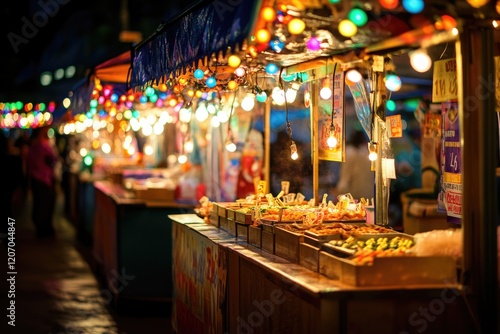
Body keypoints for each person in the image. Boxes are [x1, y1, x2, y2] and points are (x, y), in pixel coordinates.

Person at [27, 126, 59, 238]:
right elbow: (53, 159)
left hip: (36, 178)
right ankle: (44, 228)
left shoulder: (33, 146)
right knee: (45, 204)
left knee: (38, 203)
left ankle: (40, 226)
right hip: (44, 179)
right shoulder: (44, 146)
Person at [335, 129, 374, 201]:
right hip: (369, 195)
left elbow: (345, 177)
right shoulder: (368, 153)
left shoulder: (350, 152)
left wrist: (339, 191)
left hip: (353, 196)